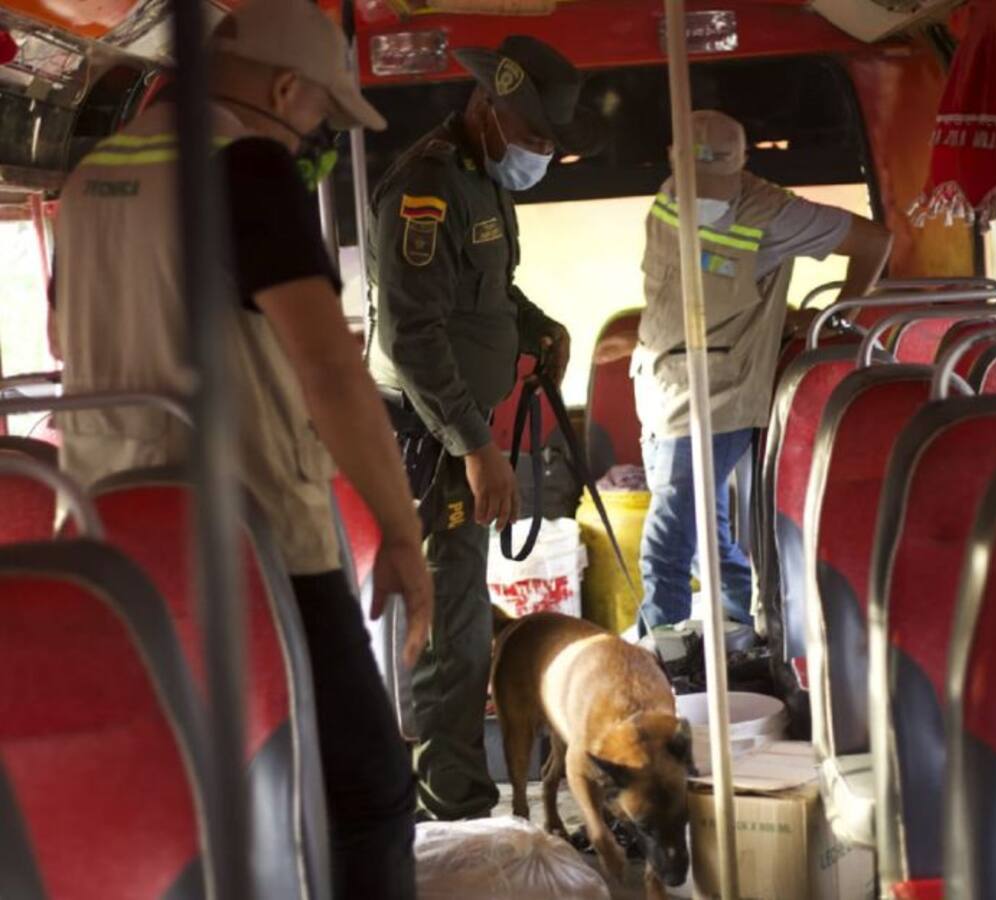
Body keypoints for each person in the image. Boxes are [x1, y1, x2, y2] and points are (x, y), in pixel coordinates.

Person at [50, 1, 432, 897]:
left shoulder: (89, 176)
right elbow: (329, 368)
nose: (312, 139)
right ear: (287, 88)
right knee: (367, 791)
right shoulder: (246, 165)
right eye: (319, 116)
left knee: (196, 786)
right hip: (253, 533)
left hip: (114, 537)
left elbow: (68, 339)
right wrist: (402, 533)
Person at [367, 35, 595, 821]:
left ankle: (456, 794)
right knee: (450, 628)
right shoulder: (429, 187)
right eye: (531, 136)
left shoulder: (481, 180)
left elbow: (487, 292)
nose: (539, 155)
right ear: (487, 109)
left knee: (461, 615)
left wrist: (537, 327)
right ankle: (452, 806)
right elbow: (413, 334)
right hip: (429, 438)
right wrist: (474, 444)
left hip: (455, 429)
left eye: (549, 144)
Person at [626, 109, 893, 630]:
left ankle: (660, 652)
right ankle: (751, 629)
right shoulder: (669, 194)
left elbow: (874, 242)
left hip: (716, 397)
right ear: (673, 160)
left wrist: (838, 314)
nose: (704, 196)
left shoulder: (773, 212)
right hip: (660, 383)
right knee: (704, 539)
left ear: (744, 162)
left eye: (716, 181)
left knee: (667, 544)